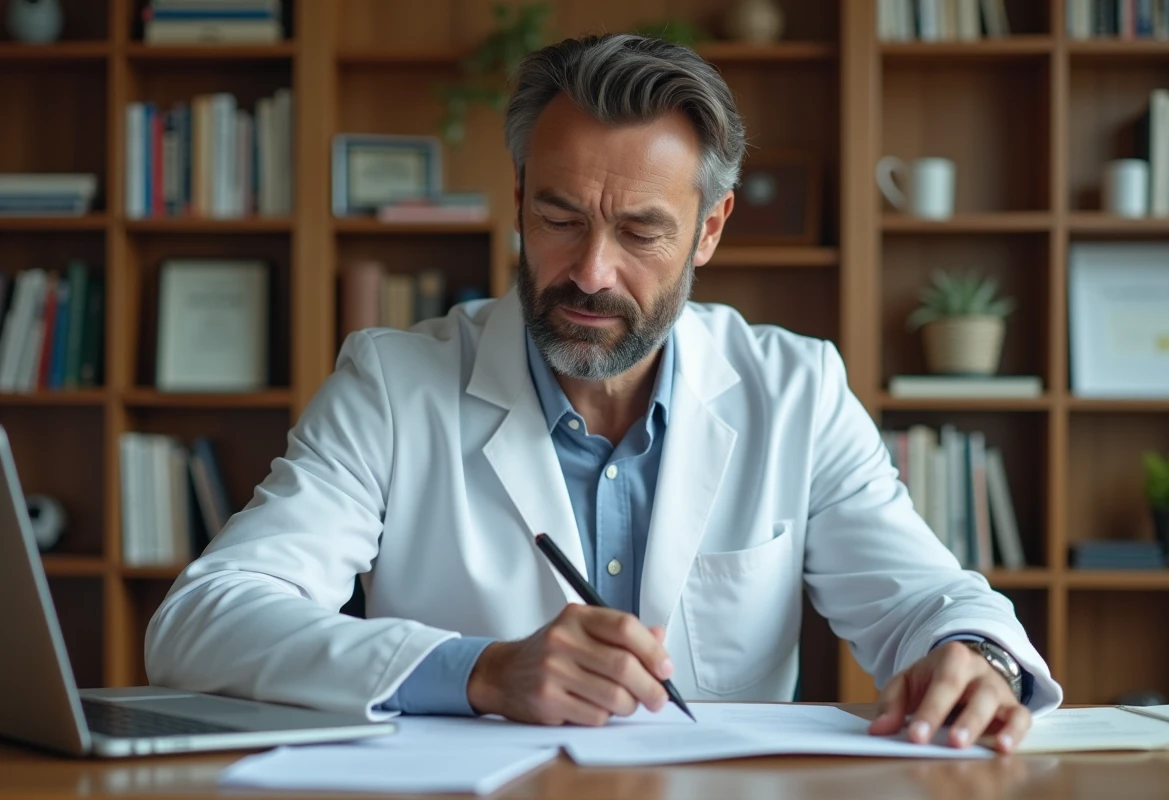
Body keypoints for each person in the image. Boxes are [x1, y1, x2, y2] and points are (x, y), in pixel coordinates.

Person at [145, 33, 1062, 752]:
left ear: (710, 229)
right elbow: (202, 620)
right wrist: (477, 673)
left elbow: (927, 601)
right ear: (518, 200)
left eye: (641, 232)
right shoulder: (391, 384)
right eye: (559, 217)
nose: (590, 272)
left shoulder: (796, 390)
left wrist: (974, 658)